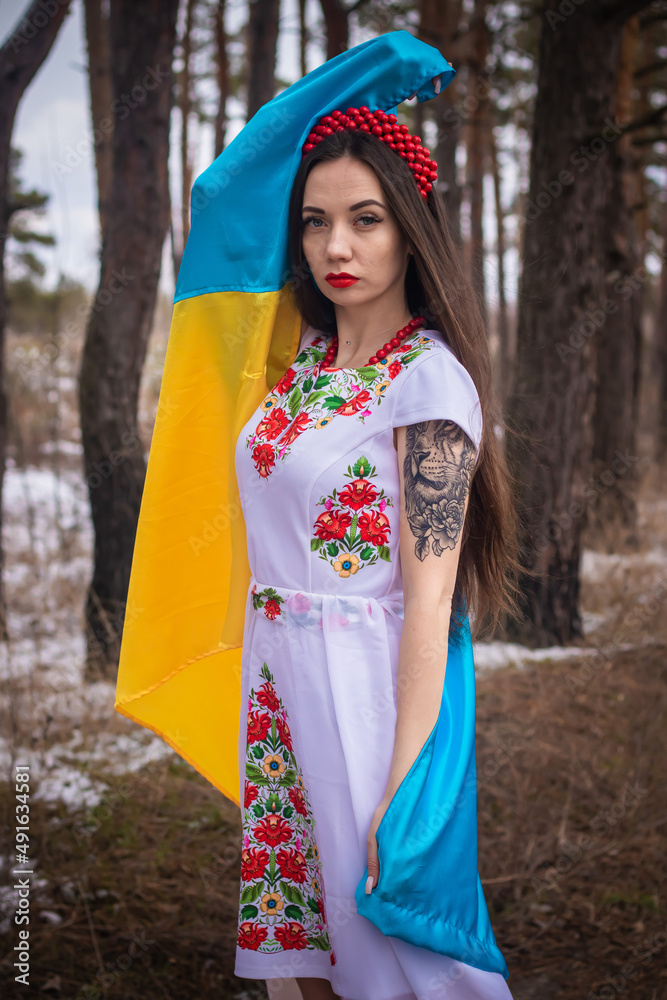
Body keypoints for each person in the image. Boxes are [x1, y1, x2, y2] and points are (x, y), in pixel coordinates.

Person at [115, 29, 519, 1000]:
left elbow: (429, 602)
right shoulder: (296, 369)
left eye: (367, 219)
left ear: (409, 227)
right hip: (281, 690)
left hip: (366, 694)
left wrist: (407, 786)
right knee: (303, 964)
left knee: (393, 956)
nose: (337, 246)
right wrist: (317, 108)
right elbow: (221, 199)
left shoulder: (427, 383)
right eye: (314, 222)